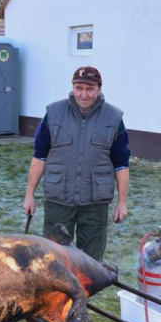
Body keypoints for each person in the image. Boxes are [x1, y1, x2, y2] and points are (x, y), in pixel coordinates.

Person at [22, 66, 130, 264]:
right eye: (79, 88)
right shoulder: (53, 113)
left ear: (99, 89)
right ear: (72, 87)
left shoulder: (114, 118)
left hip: (95, 204)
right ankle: (59, 296)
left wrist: (122, 202)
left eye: (90, 89)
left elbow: (121, 164)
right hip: (59, 201)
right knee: (54, 260)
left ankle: (85, 295)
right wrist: (30, 194)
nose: (84, 94)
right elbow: (40, 156)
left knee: (91, 262)